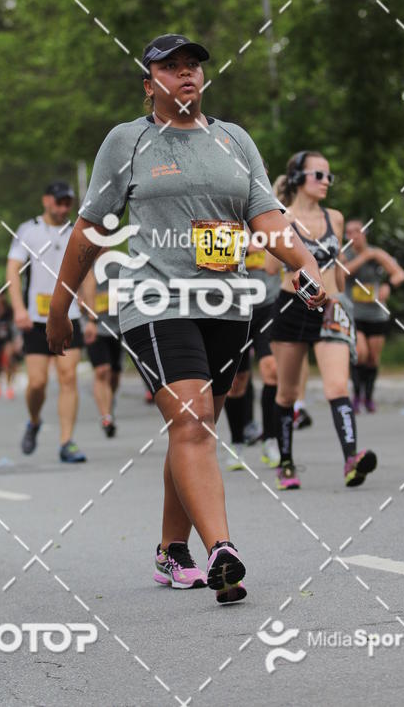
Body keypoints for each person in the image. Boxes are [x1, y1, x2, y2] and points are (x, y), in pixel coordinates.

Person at [45, 34, 326, 604]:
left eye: (192, 65)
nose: (185, 74)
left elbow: (265, 216)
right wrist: (60, 306)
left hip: (225, 304)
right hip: (154, 302)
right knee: (193, 420)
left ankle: (172, 551)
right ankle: (223, 550)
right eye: (170, 67)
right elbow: (91, 229)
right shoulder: (127, 141)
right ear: (149, 84)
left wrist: (305, 265)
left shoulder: (234, 140)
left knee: (193, 428)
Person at [268, 151, 377, 490]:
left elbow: (339, 265)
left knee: (337, 387)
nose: (326, 181)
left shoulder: (336, 218)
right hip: (291, 307)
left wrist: (343, 298)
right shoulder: (280, 218)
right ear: (297, 178)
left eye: (329, 176)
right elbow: (271, 267)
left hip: (329, 308)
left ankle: (351, 459)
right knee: (287, 393)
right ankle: (286, 464)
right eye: (319, 175)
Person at [6, 181, 87, 463]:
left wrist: (90, 316)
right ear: (46, 201)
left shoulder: (77, 231)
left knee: (68, 377)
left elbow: (87, 272)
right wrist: (18, 309)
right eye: (59, 202)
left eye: (68, 203)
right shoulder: (28, 229)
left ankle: (67, 442)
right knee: (37, 383)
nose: (64, 208)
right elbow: (13, 270)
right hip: (36, 320)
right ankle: (34, 420)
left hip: (69, 316)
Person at [223, 239, 281, 471]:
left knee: (271, 370)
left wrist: (268, 243)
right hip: (235, 308)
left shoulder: (270, 227)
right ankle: (237, 443)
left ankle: (271, 439)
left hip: (268, 306)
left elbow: (275, 265)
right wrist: (244, 247)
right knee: (237, 382)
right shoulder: (228, 224)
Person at [344, 219, 404, 412]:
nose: (354, 236)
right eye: (349, 232)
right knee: (360, 353)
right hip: (354, 312)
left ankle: (368, 398)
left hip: (376, 314)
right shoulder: (344, 254)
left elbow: (399, 274)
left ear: (365, 233)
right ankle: (356, 396)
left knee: (372, 358)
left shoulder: (377, 254)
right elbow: (343, 273)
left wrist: (389, 286)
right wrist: (364, 257)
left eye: (357, 231)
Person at [82, 254, 123, 437]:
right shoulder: (83, 266)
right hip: (93, 327)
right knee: (102, 370)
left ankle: (109, 401)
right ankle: (105, 417)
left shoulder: (117, 265)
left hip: (116, 327)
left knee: (114, 375)